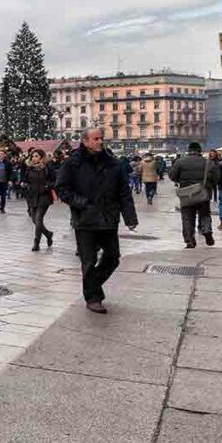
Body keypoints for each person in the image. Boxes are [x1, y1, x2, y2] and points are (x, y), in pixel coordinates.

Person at [56, 127, 139, 314]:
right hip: (85, 219)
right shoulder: (72, 164)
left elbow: (124, 192)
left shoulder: (113, 164)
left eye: (101, 138)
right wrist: (82, 203)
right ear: (85, 141)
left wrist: (130, 218)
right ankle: (93, 298)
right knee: (89, 260)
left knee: (112, 258)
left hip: (108, 218)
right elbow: (62, 189)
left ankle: (91, 285)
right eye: (95, 139)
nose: (100, 142)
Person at [169, 142, 218, 248]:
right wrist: (208, 184)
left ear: (188, 150)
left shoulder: (180, 162)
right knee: (205, 214)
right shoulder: (208, 163)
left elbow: (172, 176)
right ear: (200, 151)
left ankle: (189, 240)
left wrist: (182, 181)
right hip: (203, 193)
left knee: (187, 217)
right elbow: (216, 178)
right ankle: (206, 230)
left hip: (186, 194)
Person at [22, 149, 55, 251]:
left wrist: (47, 186)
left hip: (44, 196)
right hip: (32, 196)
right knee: (34, 219)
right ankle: (48, 234)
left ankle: (36, 243)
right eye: (32, 156)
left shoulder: (47, 167)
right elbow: (25, 180)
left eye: (36, 156)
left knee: (38, 218)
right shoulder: (29, 167)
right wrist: (24, 184)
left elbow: (54, 180)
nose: (34, 158)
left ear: (41, 157)